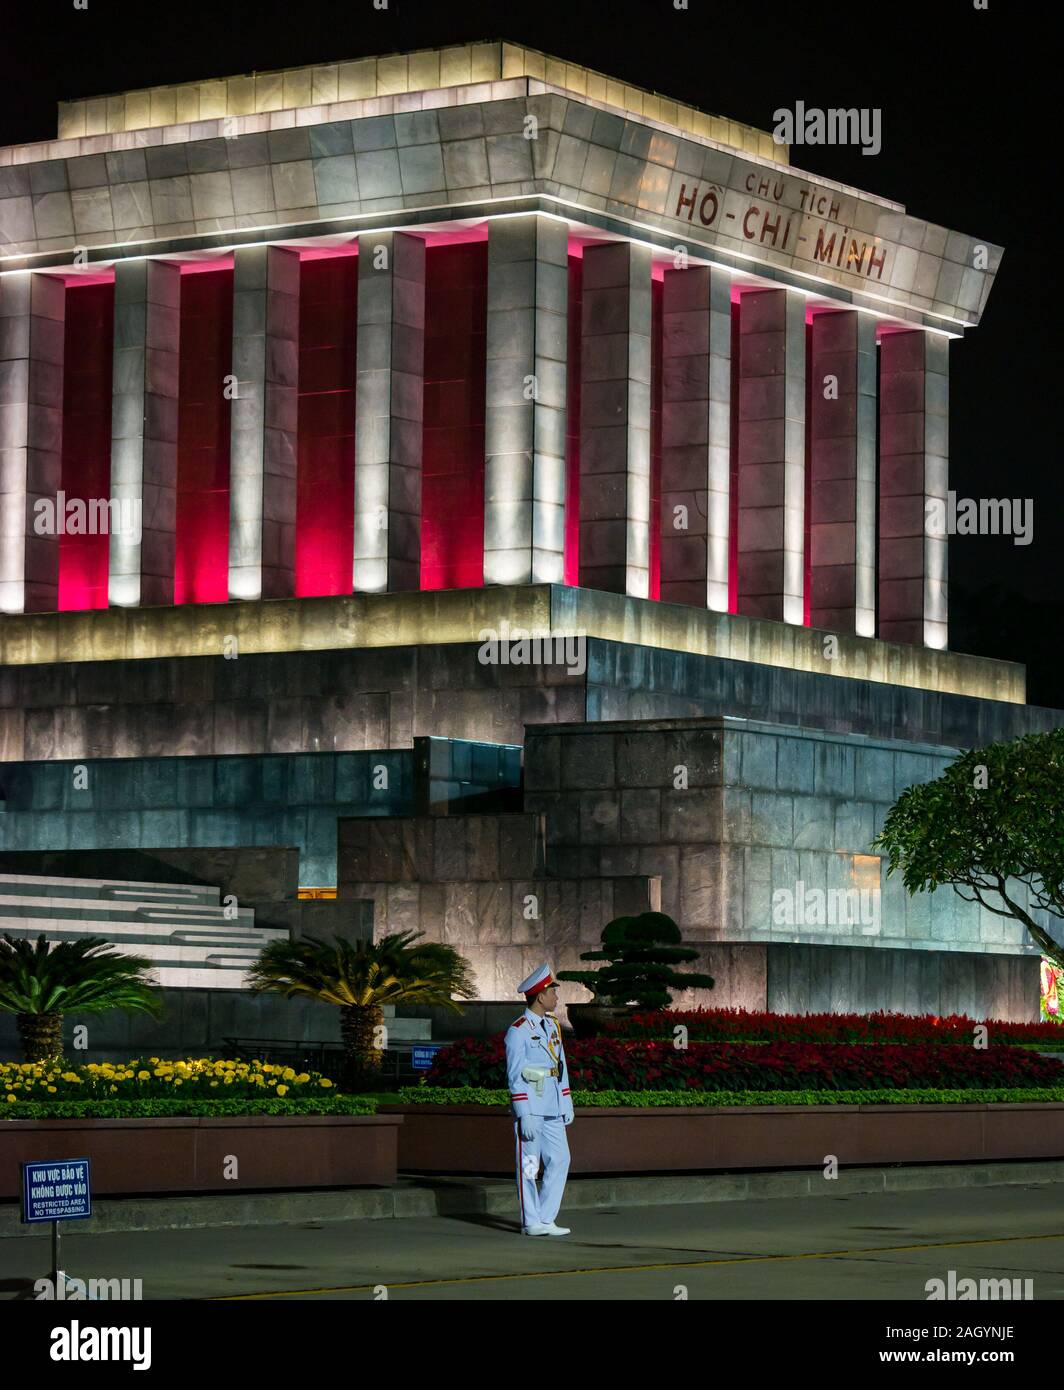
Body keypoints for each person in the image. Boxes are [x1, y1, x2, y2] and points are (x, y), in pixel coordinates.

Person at [504, 964, 574, 1236]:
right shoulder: (518, 1030)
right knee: (530, 1166)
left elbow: (561, 1066)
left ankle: (546, 1218)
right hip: (532, 1107)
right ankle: (530, 1221)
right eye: (551, 992)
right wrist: (524, 1112)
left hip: (553, 1106)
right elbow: (514, 1075)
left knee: (560, 1159)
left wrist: (566, 1100)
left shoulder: (553, 1026)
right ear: (539, 996)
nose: (556, 997)